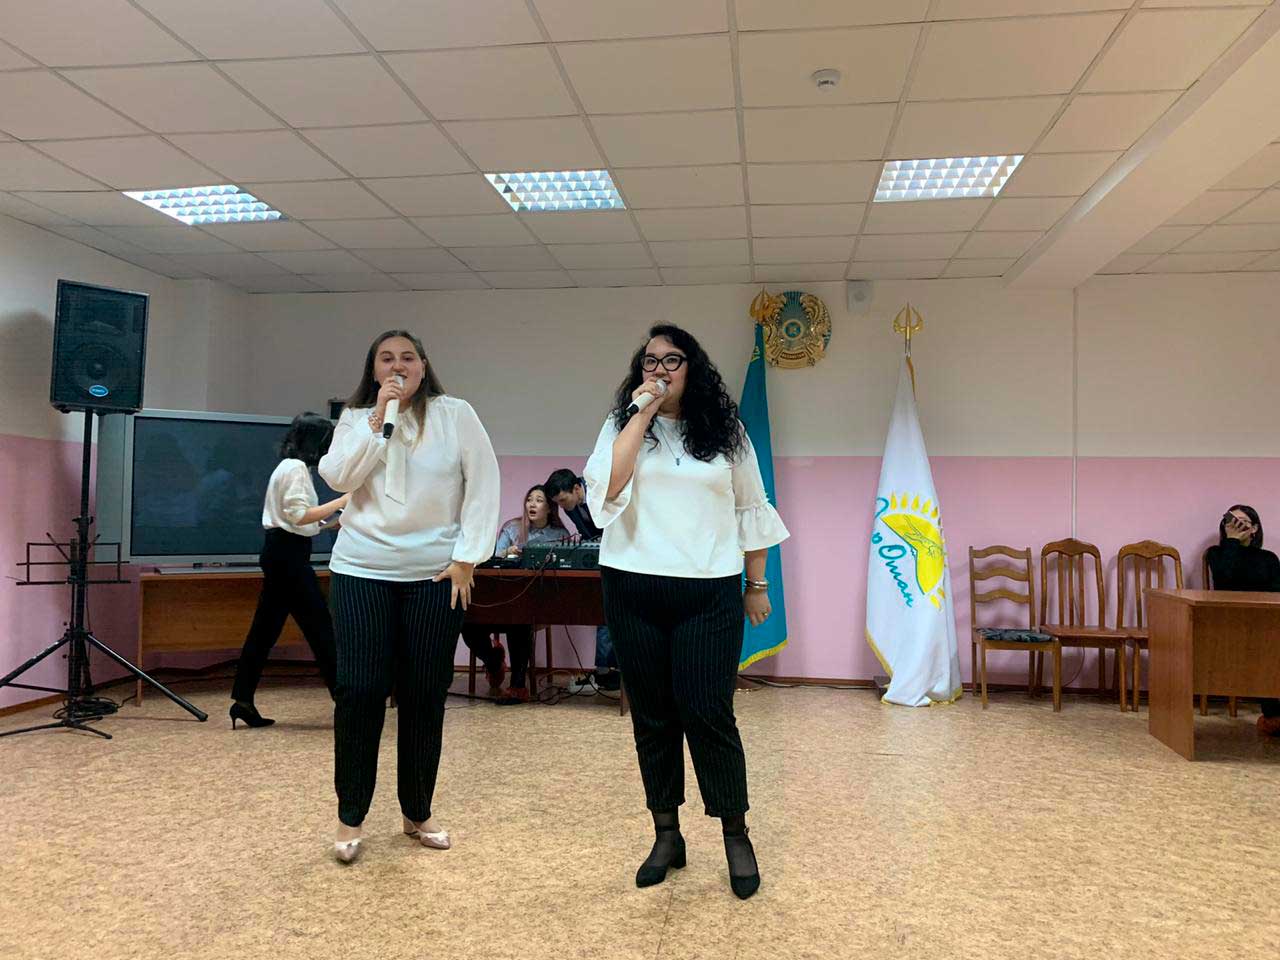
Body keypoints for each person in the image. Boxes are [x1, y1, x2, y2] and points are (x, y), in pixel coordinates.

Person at [583, 323, 789, 900]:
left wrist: (756, 583)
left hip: (708, 591)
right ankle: (666, 835)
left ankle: (735, 834)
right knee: (652, 717)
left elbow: (752, 507)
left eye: (672, 360)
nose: (660, 370)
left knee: (708, 713)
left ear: (691, 369)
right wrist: (640, 414)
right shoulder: (621, 425)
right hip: (633, 587)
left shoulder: (726, 431)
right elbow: (607, 491)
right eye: (650, 361)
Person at [319, 329, 500, 863]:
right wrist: (379, 418)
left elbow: (483, 482)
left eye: (407, 358)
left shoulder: (455, 414)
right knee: (359, 692)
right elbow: (339, 478)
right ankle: (350, 815)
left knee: (424, 695)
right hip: (361, 569)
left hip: (434, 576)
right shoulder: (356, 418)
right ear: (373, 370)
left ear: (423, 365)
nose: (397, 366)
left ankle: (417, 811)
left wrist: (468, 557)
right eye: (386, 359)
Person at [230, 413, 346, 729]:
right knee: (321, 629)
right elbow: (298, 516)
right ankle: (346, 701)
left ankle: (242, 699)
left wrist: (330, 524)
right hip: (289, 557)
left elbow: (295, 520)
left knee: (264, 631)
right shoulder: (295, 469)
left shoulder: (286, 467)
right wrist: (343, 501)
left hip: (280, 552)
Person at [460, 485, 569, 704]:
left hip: (531, 604)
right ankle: (493, 660)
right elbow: (490, 558)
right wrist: (506, 552)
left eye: (539, 500)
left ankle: (518, 685)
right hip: (499, 598)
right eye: (529, 499)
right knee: (468, 624)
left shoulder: (560, 535)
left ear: (550, 508)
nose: (532, 504)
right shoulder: (512, 528)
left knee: (519, 620)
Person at [1205, 504, 1280, 735]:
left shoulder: (1268, 558)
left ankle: (1274, 717)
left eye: (1243, 522)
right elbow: (1224, 581)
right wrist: (1232, 541)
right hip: (1230, 624)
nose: (1236, 526)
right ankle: (1274, 717)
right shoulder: (1216, 554)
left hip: (1265, 624)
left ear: (1255, 528)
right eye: (1232, 522)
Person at [545, 468, 619, 692]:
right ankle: (604, 671)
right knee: (601, 613)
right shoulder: (570, 505)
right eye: (557, 503)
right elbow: (586, 533)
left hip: (619, 557)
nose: (563, 507)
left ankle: (611, 671)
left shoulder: (601, 491)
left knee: (611, 614)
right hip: (600, 561)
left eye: (563, 500)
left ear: (577, 488)